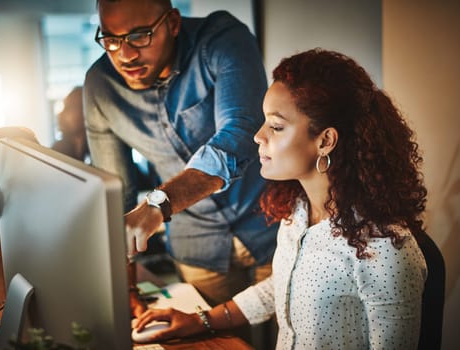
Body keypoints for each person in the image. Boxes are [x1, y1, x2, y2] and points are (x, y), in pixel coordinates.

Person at [133, 48, 429, 349]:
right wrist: (201, 320)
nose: (258, 136)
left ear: (325, 141)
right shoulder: (298, 212)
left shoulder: (386, 253)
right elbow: (282, 286)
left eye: (275, 126)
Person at [83, 0, 277, 310]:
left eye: (140, 35)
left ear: (172, 22)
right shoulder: (100, 87)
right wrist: (127, 288)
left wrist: (159, 204)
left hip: (270, 224)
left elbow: (239, 131)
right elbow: (114, 194)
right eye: (111, 38)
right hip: (196, 247)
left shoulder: (222, 39)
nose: (126, 54)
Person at [52, 86, 89, 162]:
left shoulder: (97, 147)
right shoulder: (58, 150)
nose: (63, 113)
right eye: (66, 107)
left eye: (71, 107)